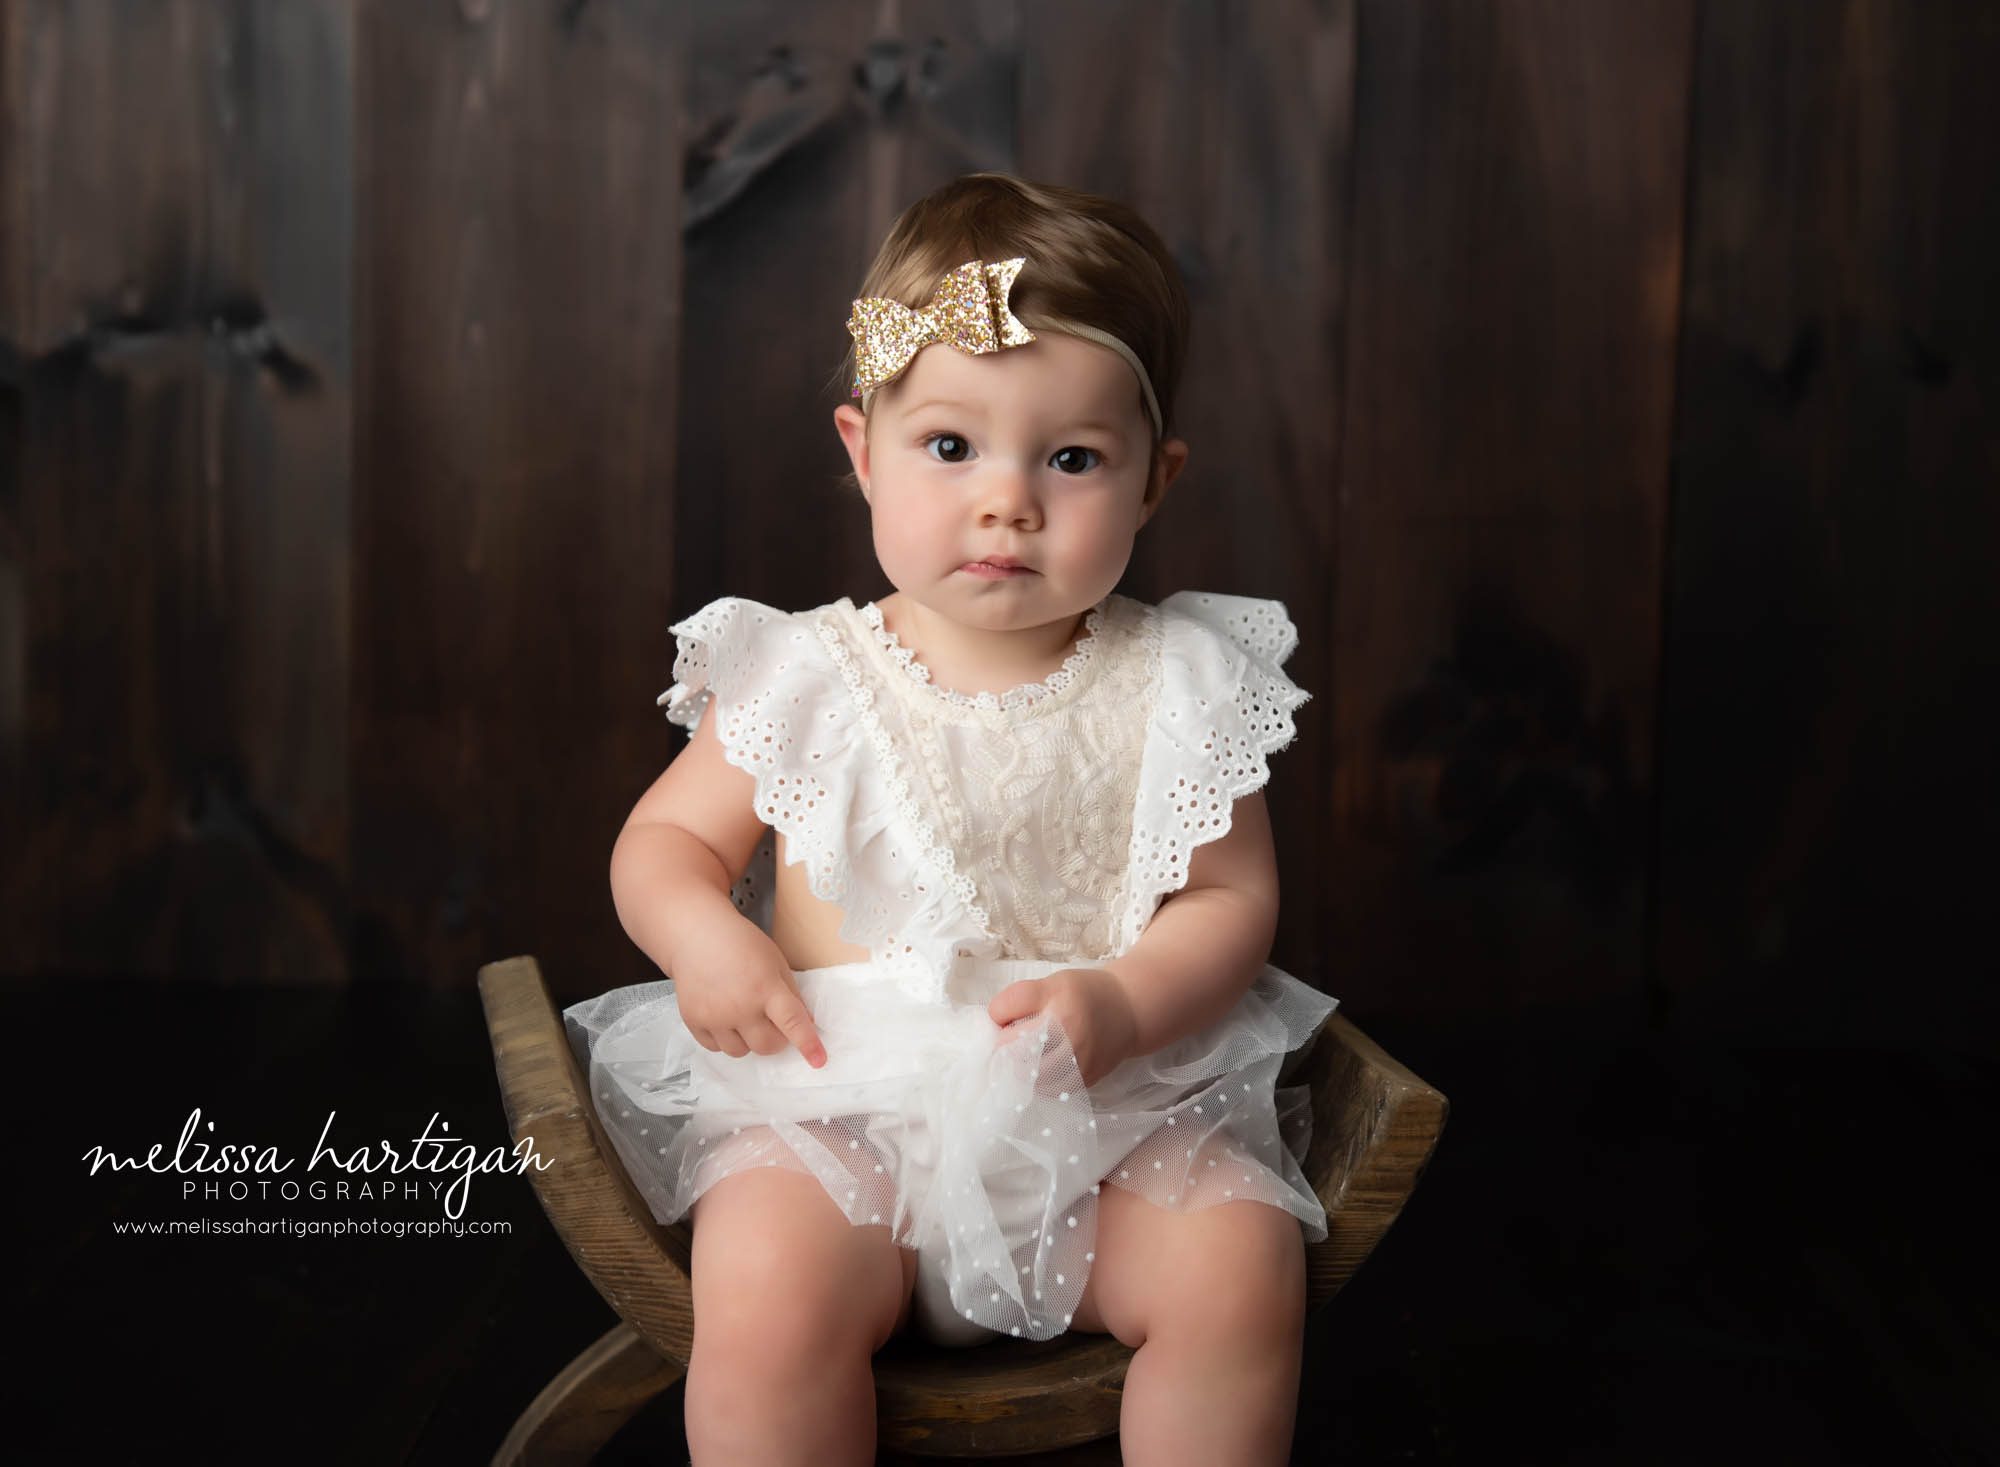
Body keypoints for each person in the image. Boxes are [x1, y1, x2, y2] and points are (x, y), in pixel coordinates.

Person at [565, 172, 1337, 1466]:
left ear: (1156, 482)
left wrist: (1127, 1001)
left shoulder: (1184, 680)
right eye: (949, 446)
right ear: (862, 448)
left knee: (1239, 1265)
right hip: (843, 1109)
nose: (1007, 501)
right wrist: (705, 936)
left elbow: (1230, 901)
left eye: (1073, 458)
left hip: (1102, 1115)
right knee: (762, 1287)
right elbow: (666, 845)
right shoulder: (799, 672)